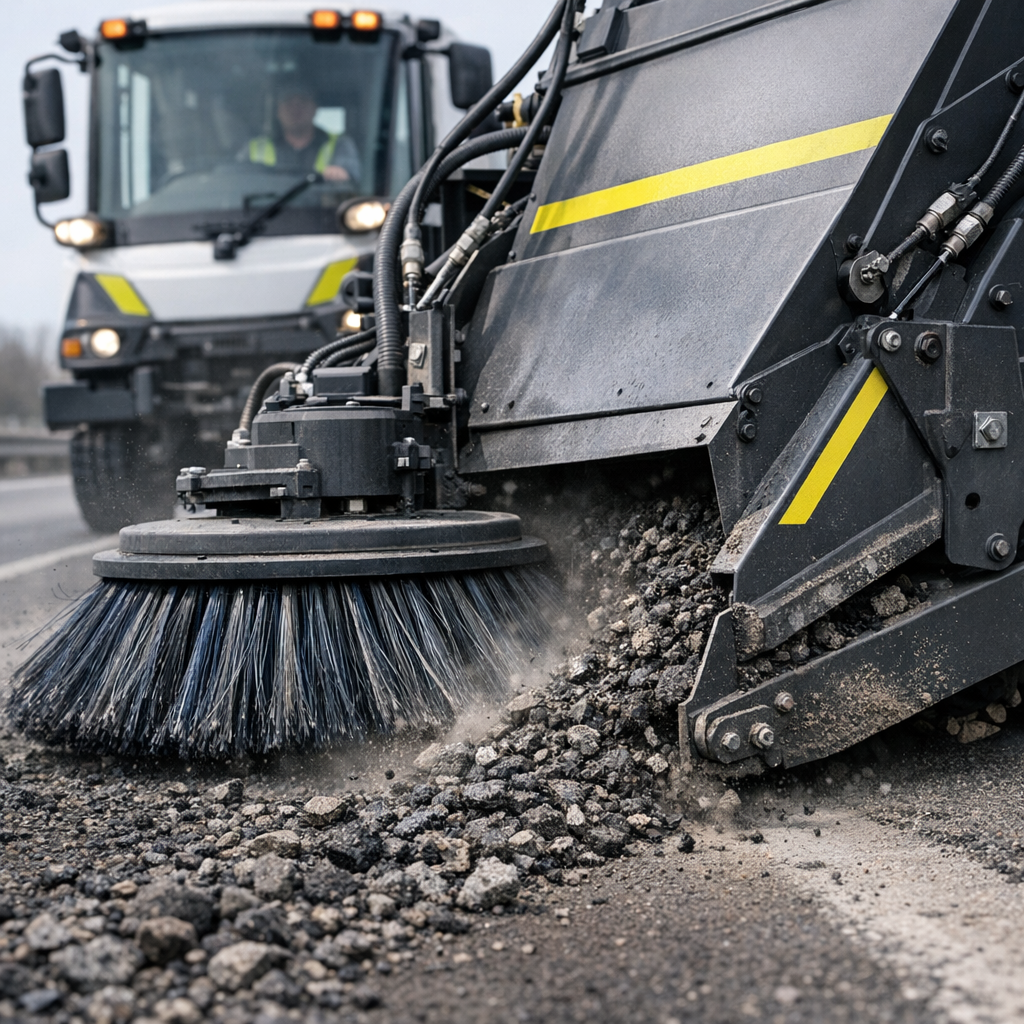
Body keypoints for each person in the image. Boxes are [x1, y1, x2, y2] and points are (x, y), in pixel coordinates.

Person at [245, 80, 361, 183]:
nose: (295, 109)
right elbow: (236, 179)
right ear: (278, 111)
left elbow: (355, 181)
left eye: (303, 102)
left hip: (323, 207)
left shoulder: (341, 145)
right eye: (288, 102)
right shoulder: (253, 148)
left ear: (315, 109)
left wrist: (342, 175)